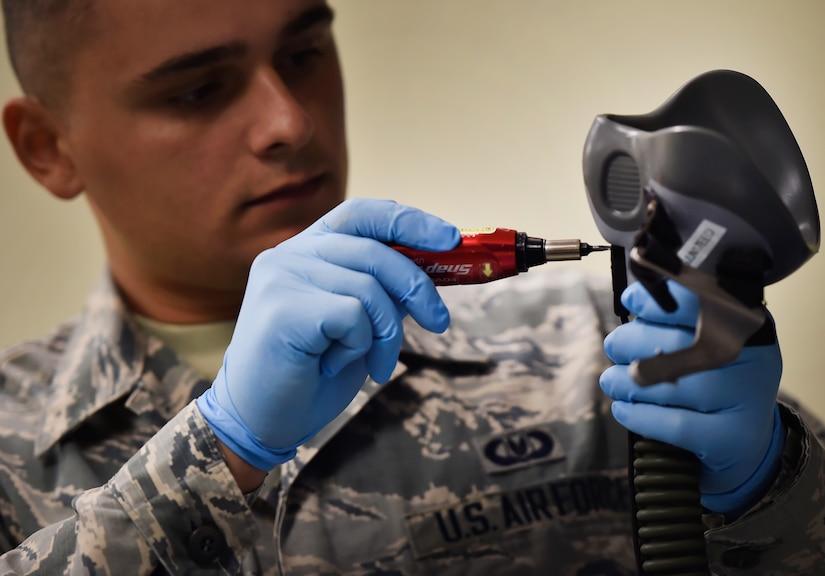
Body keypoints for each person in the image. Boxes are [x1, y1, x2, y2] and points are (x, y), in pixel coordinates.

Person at [0, 0, 822, 574]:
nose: (289, 121)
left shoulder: (602, 351)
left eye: (303, 53)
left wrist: (770, 486)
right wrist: (221, 450)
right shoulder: (10, 446)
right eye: (196, 90)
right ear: (47, 149)